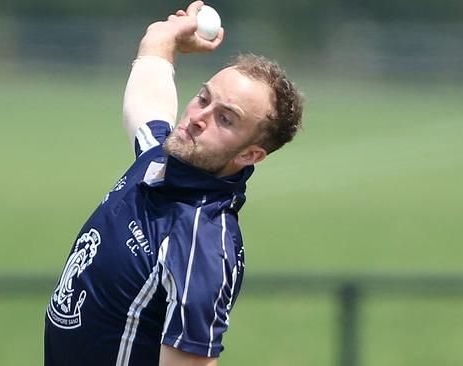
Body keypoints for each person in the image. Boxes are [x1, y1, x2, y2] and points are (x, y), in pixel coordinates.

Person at [44, 1, 303, 365]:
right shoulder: (159, 162)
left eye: (225, 119)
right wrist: (165, 36)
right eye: (203, 98)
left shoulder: (202, 246)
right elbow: (148, 91)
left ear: (251, 155)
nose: (199, 116)